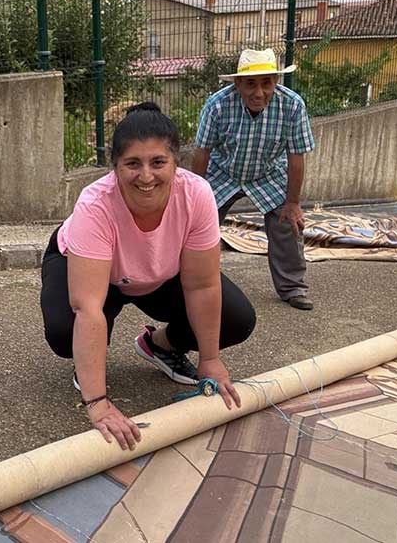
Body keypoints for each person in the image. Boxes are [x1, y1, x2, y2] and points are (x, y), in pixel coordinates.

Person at [41, 102, 255, 451]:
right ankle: (87, 368)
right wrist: (97, 403)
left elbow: (202, 284)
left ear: (175, 163)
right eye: (132, 164)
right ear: (115, 167)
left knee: (237, 318)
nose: (145, 176)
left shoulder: (197, 194)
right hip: (94, 271)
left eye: (158, 162)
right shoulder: (95, 205)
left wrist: (211, 361)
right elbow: (88, 308)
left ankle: (158, 345)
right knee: (67, 333)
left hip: (157, 271)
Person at [192, 48, 316, 311]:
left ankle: (293, 287)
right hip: (223, 172)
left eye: (266, 84)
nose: (258, 93)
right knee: (198, 225)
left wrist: (292, 203)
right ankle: (192, 280)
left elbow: (296, 157)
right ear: (238, 84)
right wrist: (194, 198)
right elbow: (202, 152)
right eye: (250, 84)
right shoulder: (216, 105)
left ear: (276, 83)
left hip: (268, 174)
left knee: (288, 224)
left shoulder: (293, 106)